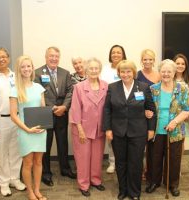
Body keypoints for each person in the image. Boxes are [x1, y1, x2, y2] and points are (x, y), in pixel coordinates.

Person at [103, 60, 156, 200]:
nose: (125, 74)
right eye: (122, 71)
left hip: (138, 131)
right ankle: (123, 190)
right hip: (118, 131)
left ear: (133, 72)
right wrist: (107, 128)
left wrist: (151, 129)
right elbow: (107, 109)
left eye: (128, 71)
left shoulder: (143, 87)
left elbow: (150, 109)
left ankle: (134, 192)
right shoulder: (112, 87)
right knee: (120, 162)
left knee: (136, 163)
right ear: (119, 73)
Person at [146, 59, 189, 197]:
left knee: (174, 158)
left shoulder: (182, 88)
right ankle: (154, 181)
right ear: (160, 72)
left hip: (175, 130)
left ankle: (172, 184)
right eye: (163, 71)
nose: (166, 74)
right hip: (156, 130)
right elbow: (147, 107)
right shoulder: (153, 89)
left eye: (169, 71)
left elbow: (187, 110)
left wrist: (174, 122)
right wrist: (146, 112)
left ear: (174, 72)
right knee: (154, 157)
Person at [0, 47, 26, 196]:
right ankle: (4, 182)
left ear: (8, 58)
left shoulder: (16, 75)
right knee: (1, 153)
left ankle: (15, 178)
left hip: (17, 119)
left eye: (4, 56)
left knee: (16, 151)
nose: (1, 59)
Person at [34, 46, 76, 187]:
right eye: (51, 56)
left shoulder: (65, 73)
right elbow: (37, 93)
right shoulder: (37, 73)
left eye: (56, 56)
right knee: (46, 143)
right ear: (46, 57)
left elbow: (71, 91)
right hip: (46, 113)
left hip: (62, 112)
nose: (54, 58)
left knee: (63, 142)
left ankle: (65, 168)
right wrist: (52, 108)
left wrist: (64, 106)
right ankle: (46, 172)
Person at [10, 55, 47, 200]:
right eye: (23, 66)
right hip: (25, 131)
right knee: (28, 163)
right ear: (19, 69)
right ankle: (30, 192)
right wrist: (27, 129)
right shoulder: (15, 89)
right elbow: (13, 115)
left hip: (39, 131)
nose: (26, 69)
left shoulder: (39, 87)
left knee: (38, 162)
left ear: (32, 68)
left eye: (28, 66)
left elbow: (42, 108)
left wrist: (44, 125)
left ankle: (37, 190)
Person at [70, 58, 108, 197]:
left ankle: (96, 180)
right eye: (91, 68)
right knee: (83, 157)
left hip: (100, 128)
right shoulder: (79, 87)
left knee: (97, 156)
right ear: (86, 70)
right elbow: (75, 110)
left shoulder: (106, 86)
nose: (93, 71)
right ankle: (84, 184)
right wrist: (79, 129)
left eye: (96, 68)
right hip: (82, 128)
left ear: (100, 70)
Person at [101, 44, 127, 174]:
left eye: (118, 52)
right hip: (110, 106)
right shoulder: (105, 69)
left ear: (123, 55)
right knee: (111, 135)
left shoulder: (127, 67)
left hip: (125, 107)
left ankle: (123, 161)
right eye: (113, 52)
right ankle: (112, 161)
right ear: (110, 55)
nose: (116, 55)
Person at [136, 49, 161, 182]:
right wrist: (144, 109)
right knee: (140, 145)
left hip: (156, 113)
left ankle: (150, 171)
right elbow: (135, 94)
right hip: (141, 113)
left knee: (152, 146)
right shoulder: (137, 75)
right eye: (145, 59)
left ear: (154, 60)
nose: (147, 62)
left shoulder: (159, 75)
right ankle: (139, 170)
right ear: (141, 60)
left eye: (150, 59)